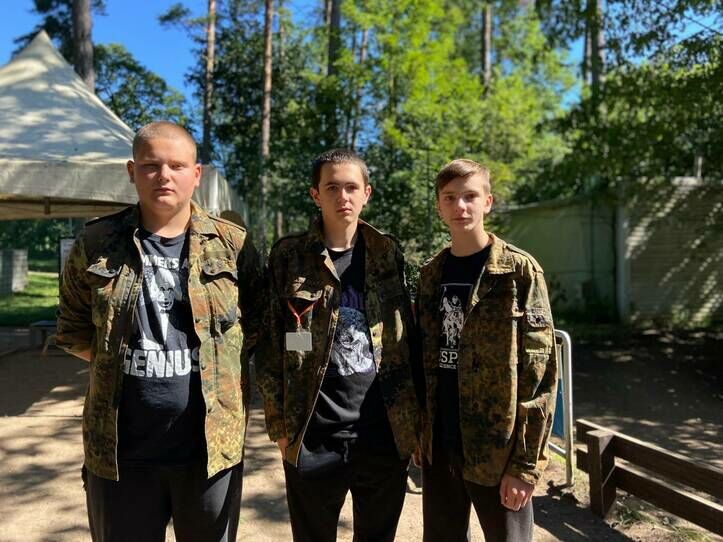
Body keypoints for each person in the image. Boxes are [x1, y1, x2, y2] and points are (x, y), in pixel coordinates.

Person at [56, 121, 261, 542]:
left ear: (196, 174)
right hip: (120, 454)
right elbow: (73, 329)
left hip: (209, 453)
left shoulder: (233, 245)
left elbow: (257, 325)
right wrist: (121, 359)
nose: (163, 175)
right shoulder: (96, 242)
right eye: (151, 165)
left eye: (176, 165)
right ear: (132, 171)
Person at [256, 149, 419, 542]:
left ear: (367, 193)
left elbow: (409, 340)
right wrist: (280, 428)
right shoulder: (289, 256)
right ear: (315, 194)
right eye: (332, 187)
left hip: (382, 434)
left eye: (351, 187)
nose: (342, 196)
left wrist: (414, 425)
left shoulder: (387, 254)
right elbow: (270, 345)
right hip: (313, 434)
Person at [415, 159, 557, 542]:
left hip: (499, 449)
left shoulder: (518, 272)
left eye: (470, 196)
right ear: (439, 206)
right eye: (450, 198)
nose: (460, 206)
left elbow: (541, 376)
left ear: (488, 202)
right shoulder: (430, 275)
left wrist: (525, 465)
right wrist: (421, 436)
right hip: (442, 445)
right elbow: (422, 360)